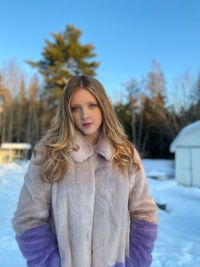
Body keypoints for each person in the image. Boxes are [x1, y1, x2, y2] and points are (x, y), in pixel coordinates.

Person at [12, 75, 158, 267]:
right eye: (75, 108)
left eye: (92, 105)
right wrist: (51, 263)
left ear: (103, 106)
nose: (85, 115)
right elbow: (28, 218)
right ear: (67, 112)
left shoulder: (125, 154)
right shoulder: (49, 154)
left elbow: (144, 212)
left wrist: (135, 262)